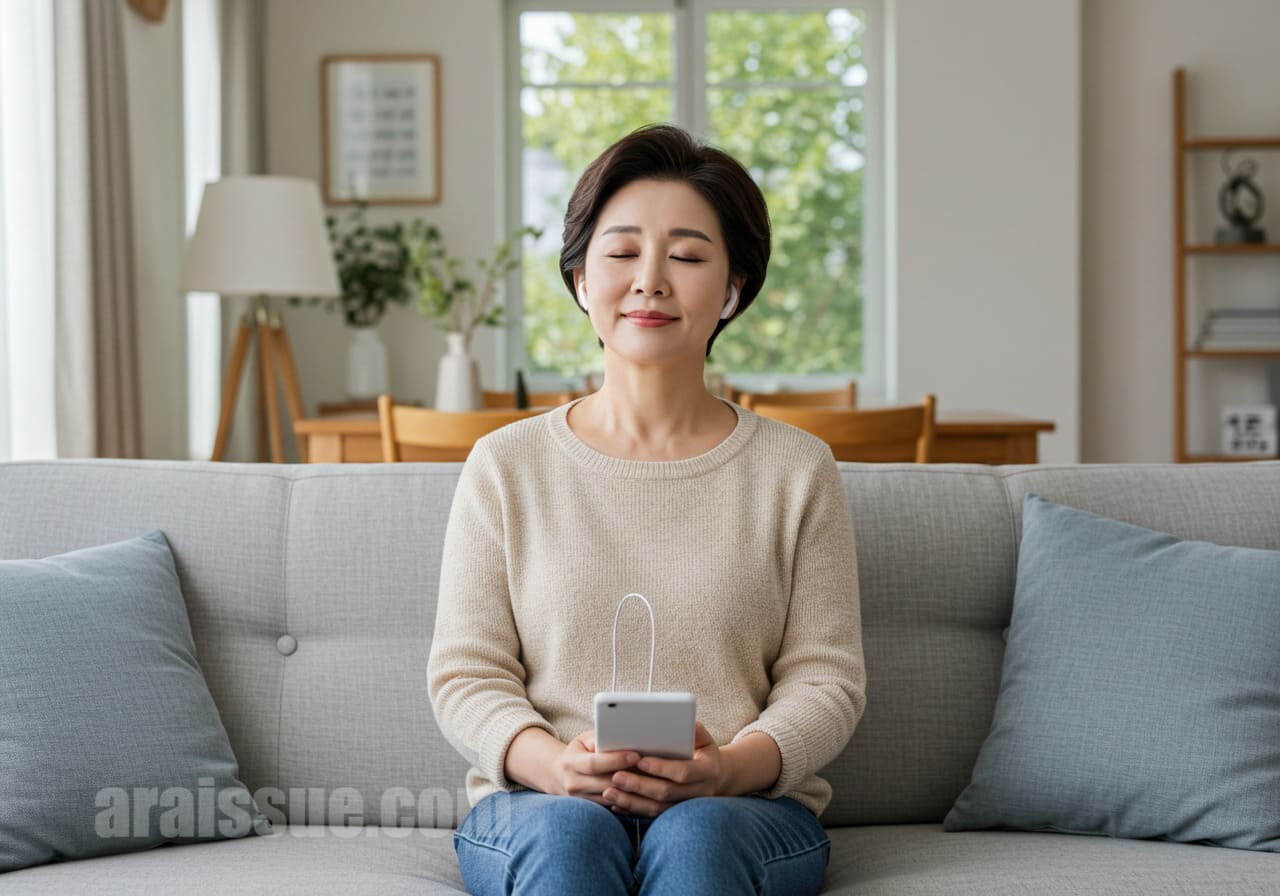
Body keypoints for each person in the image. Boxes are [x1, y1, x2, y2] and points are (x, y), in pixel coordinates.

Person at [428, 124, 865, 896]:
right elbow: (467, 674)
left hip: (743, 809)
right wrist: (554, 765)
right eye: (622, 252)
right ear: (579, 281)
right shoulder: (506, 466)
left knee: (698, 839)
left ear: (732, 288)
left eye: (688, 256)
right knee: (568, 838)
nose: (651, 281)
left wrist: (729, 768)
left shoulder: (798, 472)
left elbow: (825, 683)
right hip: (539, 803)